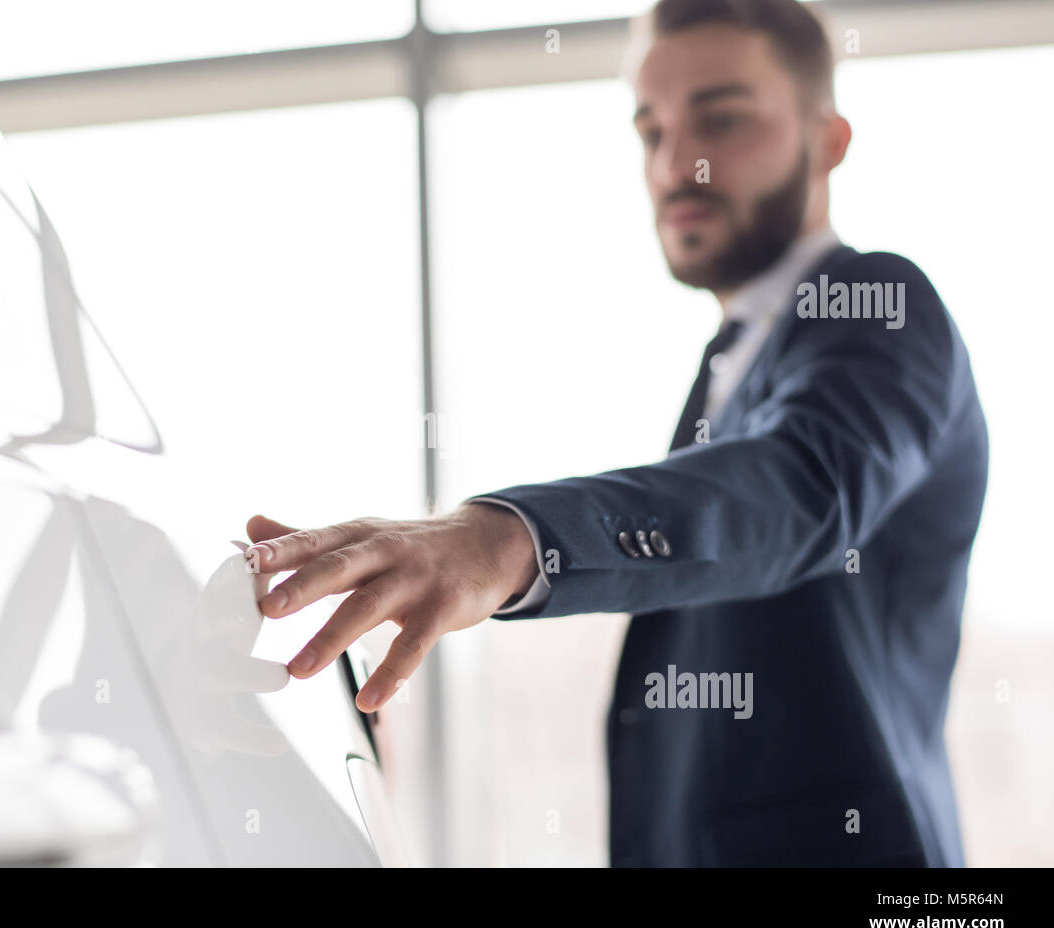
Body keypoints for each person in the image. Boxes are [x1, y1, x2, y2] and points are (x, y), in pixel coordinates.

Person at [243, 0, 988, 867]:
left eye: (721, 118)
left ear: (828, 140)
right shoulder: (729, 365)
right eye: (651, 131)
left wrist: (511, 537)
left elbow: (797, 488)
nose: (678, 163)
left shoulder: (881, 306)